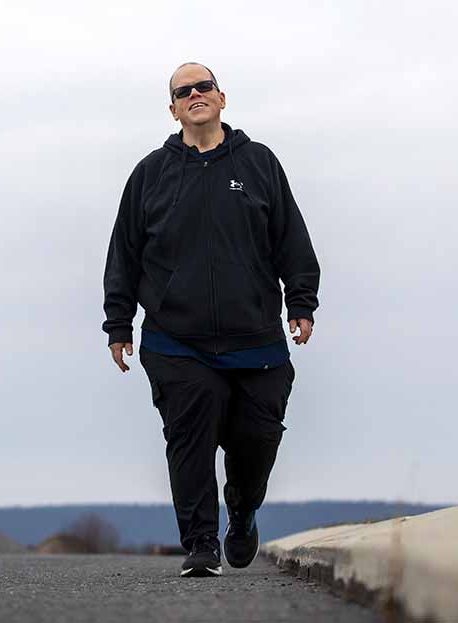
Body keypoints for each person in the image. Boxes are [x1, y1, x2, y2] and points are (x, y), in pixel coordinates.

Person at [102, 61, 321, 577]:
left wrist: (302, 303)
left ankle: (242, 510)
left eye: (204, 87)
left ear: (222, 98)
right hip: (177, 340)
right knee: (190, 435)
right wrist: (118, 324)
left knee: (256, 443)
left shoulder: (259, 162)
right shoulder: (150, 175)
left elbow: (291, 238)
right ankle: (201, 544)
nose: (195, 94)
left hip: (257, 342)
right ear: (173, 108)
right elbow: (124, 254)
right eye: (184, 91)